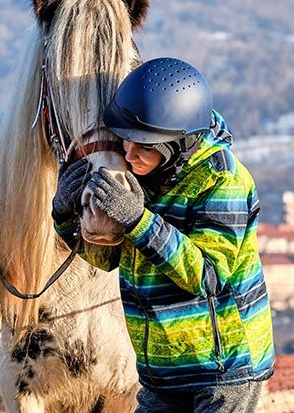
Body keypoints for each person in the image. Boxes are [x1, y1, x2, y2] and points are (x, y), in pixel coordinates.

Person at [52, 58, 274, 413]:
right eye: (126, 141)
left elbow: (207, 275)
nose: (129, 153)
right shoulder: (142, 178)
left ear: (177, 144)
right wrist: (65, 216)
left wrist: (139, 220)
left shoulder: (222, 181)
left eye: (144, 146)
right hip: (162, 371)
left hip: (221, 372)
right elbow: (109, 259)